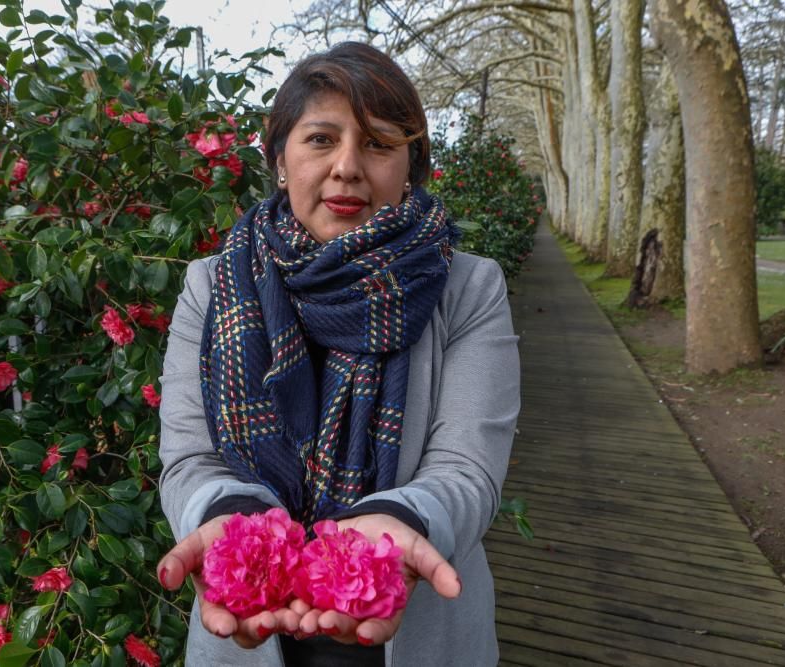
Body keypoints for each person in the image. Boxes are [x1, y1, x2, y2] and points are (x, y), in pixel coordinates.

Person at [156, 41, 520, 666]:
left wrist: (392, 531)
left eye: (379, 144)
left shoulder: (468, 287)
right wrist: (238, 521)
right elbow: (188, 457)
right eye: (321, 139)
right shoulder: (211, 285)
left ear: (411, 166)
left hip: (418, 631)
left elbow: (468, 468)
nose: (348, 166)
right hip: (247, 637)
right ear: (278, 159)